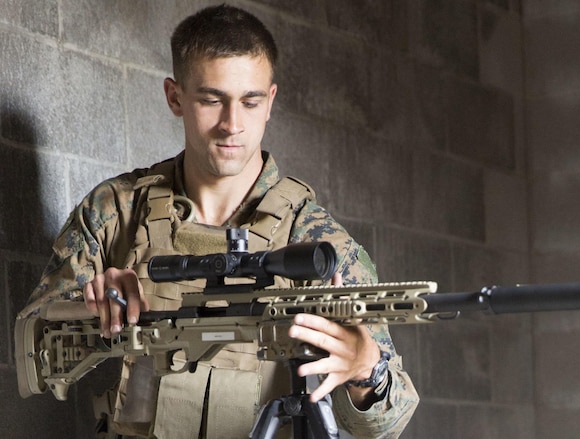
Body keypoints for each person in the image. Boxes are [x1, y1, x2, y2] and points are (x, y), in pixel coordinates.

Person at [18, 4, 418, 438]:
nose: (232, 124)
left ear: (271, 102)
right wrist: (94, 307)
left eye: (250, 101)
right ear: (175, 97)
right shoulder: (117, 209)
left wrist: (366, 371)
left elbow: (389, 421)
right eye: (212, 100)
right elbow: (33, 342)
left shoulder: (314, 242)